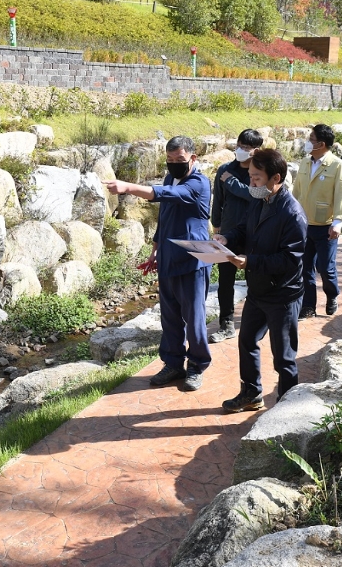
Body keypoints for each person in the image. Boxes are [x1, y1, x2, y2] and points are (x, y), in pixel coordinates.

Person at [104, 136, 212, 392]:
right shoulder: (169, 177)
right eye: (170, 160)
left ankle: (197, 366)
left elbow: (165, 195)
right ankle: (173, 364)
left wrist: (128, 187)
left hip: (192, 261)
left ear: (193, 158)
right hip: (168, 258)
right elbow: (164, 216)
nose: (174, 164)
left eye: (180, 160)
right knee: (170, 317)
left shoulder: (199, 183)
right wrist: (155, 249)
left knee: (194, 318)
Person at [213, 148, 307, 412]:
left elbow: (289, 260)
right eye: (250, 177)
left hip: (282, 295)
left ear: (275, 178)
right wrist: (227, 238)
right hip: (257, 290)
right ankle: (251, 393)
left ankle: (287, 410)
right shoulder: (259, 200)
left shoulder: (292, 214)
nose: (251, 183)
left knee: (284, 357)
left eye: (256, 178)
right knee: (246, 341)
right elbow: (245, 228)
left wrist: (250, 262)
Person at [209, 129, 263, 343]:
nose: (240, 150)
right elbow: (218, 202)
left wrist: (233, 183)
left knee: (255, 279)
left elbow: (256, 196)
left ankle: (256, 321)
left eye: (246, 148)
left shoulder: (258, 171)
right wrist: (216, 227)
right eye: (239, 145)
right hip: (228, 235)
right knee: (225, 282)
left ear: (256, 151)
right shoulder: (224, 170)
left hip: (254, 234)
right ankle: (226, 323)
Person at [292, 124, 342, 318]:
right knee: (305, 267)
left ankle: (332, 295)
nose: (308, 143)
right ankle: (308, 306)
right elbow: (296, 192)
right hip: (304, 225)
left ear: (322, 144)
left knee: (325, 267)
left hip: (326, 226)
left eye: (312, 139)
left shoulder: (338, 165)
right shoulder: (305, 163)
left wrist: (338, 221)